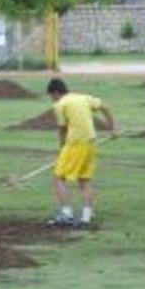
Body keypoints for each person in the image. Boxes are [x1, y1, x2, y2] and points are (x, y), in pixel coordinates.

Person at [46, 78, 115, 229]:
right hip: (91, 143)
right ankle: (86, 217)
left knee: (58, 178)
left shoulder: (60, 104)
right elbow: (106, 107)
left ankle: (66, 215)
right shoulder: (84, 97)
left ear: (55, 92)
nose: (52, 99)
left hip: (75, 144)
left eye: (51, 96)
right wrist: (112, 128)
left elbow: (62, 130)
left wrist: (62, 149)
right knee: (85, 180)